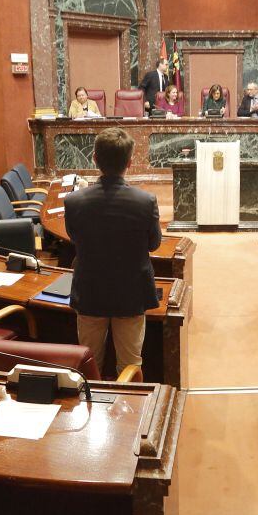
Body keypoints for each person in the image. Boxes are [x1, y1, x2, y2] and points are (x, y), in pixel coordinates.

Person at [64, 127, 162, 376]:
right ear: (129, 162)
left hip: (90, 292)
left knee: (89, 366)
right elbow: (153, 244)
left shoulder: (73, 202)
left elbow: (74, 238)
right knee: (130, 366)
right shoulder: (146, 202)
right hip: (131, 294)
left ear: (94, 158)